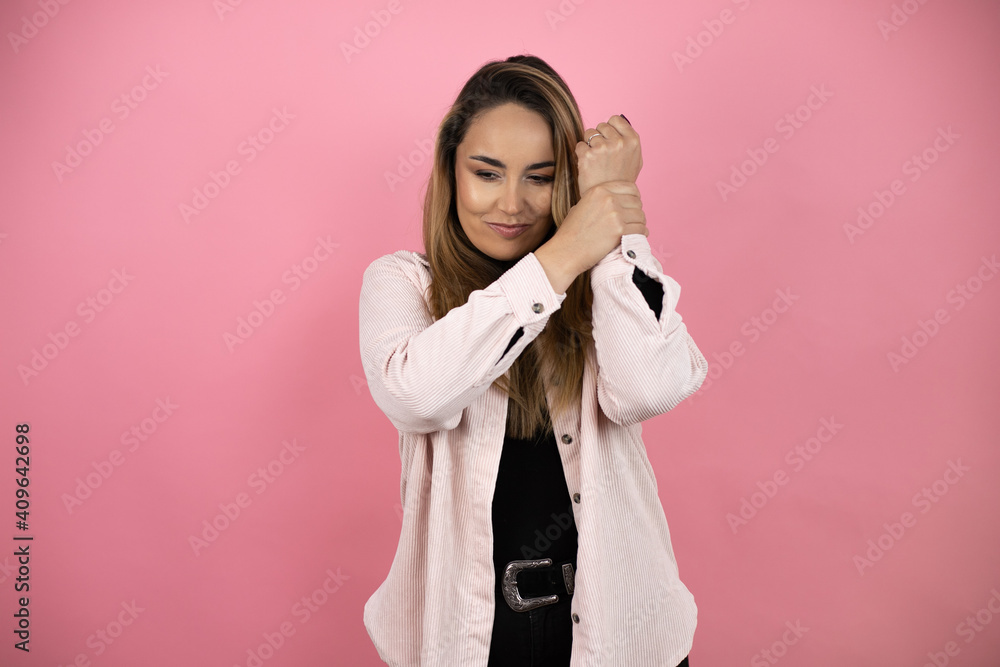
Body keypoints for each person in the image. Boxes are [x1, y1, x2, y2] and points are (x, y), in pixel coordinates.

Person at [359, 54, 706, 666]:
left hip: (621, 636)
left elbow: (647, 388)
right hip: (470, 642)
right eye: (487, 173)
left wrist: (614, 211)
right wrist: (566, 250)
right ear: (451, 173)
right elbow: (416, 397)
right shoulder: (403, 284)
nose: (512, 204)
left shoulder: (604, 287)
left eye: (540, 178)